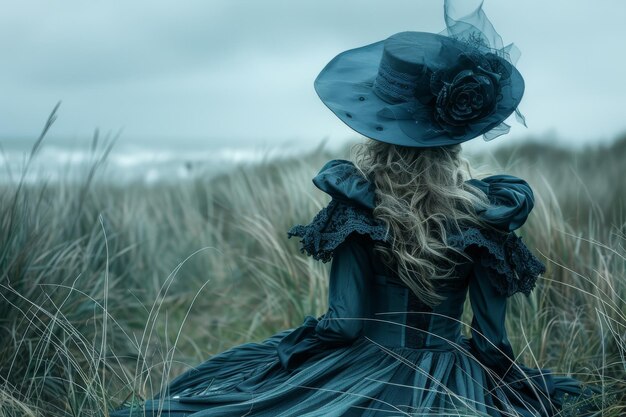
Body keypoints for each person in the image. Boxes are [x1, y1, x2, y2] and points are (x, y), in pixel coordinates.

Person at [112, 1, 610, 416]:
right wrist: (507, 390)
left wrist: (297, 346)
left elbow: (345, 324)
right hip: (450, 381)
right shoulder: (488, 217)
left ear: (375, 131)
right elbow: (490, 341)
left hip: (358, 373)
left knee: (242, 396)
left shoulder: (358, 209)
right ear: (453, 140)